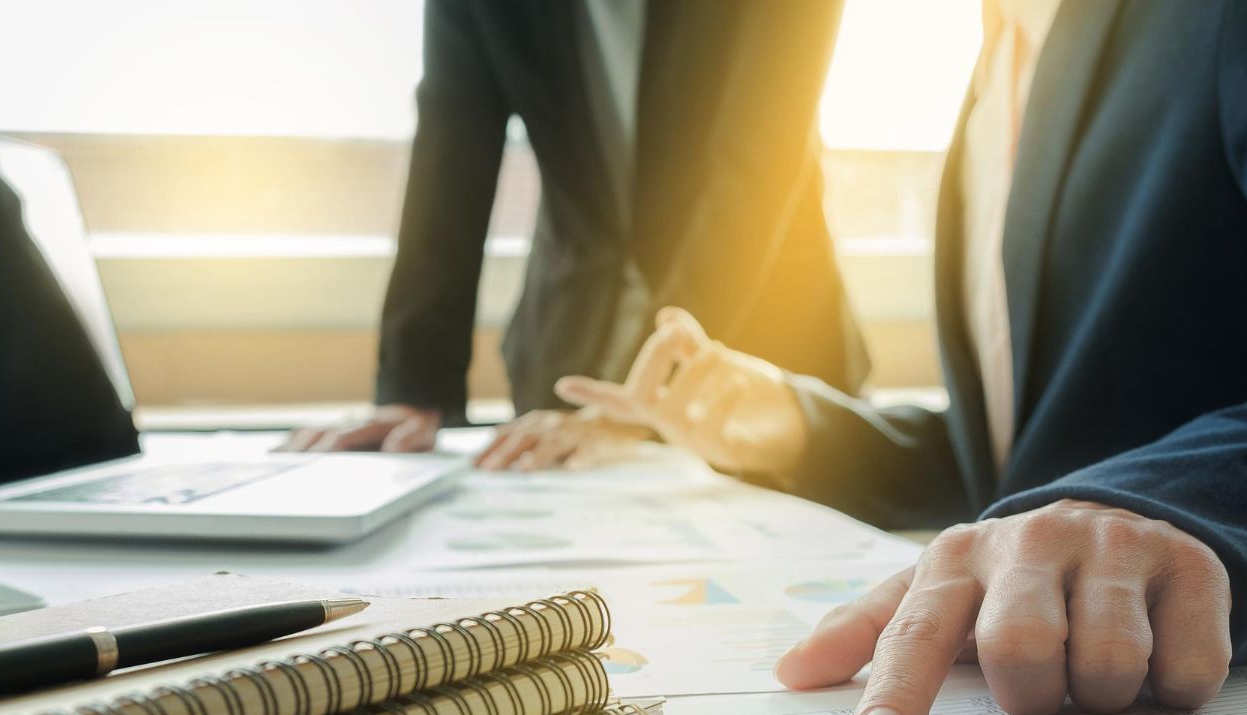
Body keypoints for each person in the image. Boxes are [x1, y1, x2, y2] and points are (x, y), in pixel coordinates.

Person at [549, 0, 1247, 715]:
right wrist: (802, 427)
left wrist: (1161, 512)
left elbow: (1081, 497)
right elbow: (1018, 458)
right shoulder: (994, 65)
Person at [284, 0, 868, 464]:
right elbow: (451, 146)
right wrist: (415, 386)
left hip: (757, 359)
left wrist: (649, 402)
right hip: (572, 359)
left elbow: (757, 165)